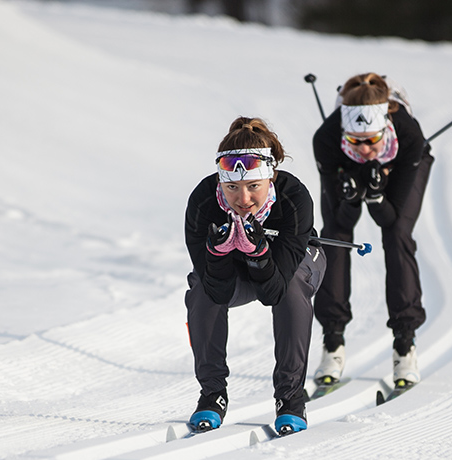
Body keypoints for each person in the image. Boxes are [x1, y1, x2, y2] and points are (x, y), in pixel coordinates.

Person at [184, 117, 325, 435]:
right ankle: (212, 395)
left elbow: (273, 293)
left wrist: (260, 254)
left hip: (291, 268)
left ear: (270, 179)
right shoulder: (204, 201)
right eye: (231, 187)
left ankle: (290, 400)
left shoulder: (293, 197)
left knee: (290, 289)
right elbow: (215, 289)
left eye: (253, 187)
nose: (243, 199)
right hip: (234, 273)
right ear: (220, 181)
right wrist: (218, 254)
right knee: (200, 291)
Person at [312, 73, 432, 391]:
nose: (364, 148)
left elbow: (390, 220)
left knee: (398, 237)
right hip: (343, 168)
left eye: (371, 140)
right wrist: (352, 196)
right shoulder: (326, 140)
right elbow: (342, 220)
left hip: (404, 163)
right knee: (334, 236)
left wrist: (377, 196)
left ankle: (404, 345)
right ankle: (333, 342)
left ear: (385, 129)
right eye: (355, 140)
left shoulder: (408, 135)